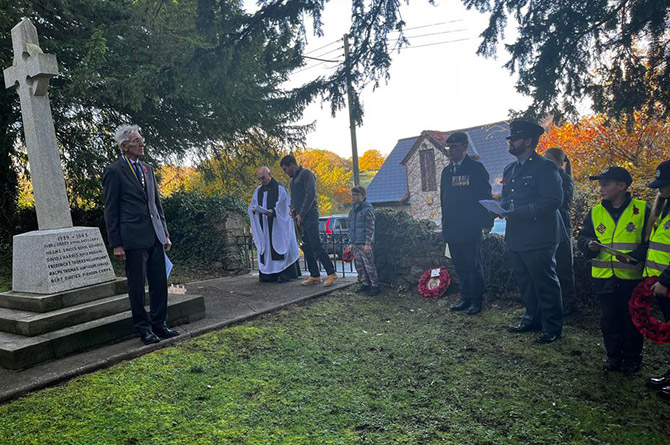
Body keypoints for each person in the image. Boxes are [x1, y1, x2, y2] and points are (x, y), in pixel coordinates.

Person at [103, 125, 179, 345]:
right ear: (124, 146)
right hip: (133, 238)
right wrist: (117, 243)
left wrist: (165, 233)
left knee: (159, 282)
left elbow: (156, 204)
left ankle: (159, 324)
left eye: (141, 139)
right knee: (136, 287)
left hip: (155, 235)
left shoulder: (147, 169)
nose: (142, 144)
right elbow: (111, 209)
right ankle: (144, 329)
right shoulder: (114, 171)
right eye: (137, 141)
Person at [577, 166, 649, 373]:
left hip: (631, 277)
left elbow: (651, 241)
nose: (600, 189)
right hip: (604, 277)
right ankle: (613, 357)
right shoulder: (595, 212)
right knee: (609, 319)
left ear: (621, 186)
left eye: (605, 185)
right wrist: (588, 245)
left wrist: (634, 256)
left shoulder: (642, 210)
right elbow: (583, 237)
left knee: (632, 319)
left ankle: (632, 359)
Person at [501, 120, 565, 344]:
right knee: (525, 281)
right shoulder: (510, 169)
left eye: (514, 139)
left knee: (545, 283)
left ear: (528, 141)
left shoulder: (545, 167)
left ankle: (552, 327)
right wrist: (499, 208)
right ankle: (531, 319)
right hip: (517, 234)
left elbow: (554, 200)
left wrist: (522, 212)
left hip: (539, 234)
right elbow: (508, 198)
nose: (510, 142)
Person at [439, 131, 494, 315]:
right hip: (452, 228)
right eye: (449, 148)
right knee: (460, 266)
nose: (451, 151)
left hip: (470, 227)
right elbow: (444, 200)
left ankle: (476, 301)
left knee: (473, 267)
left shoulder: (476, 168)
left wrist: (487, 223)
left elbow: (485, 197)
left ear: (465, 147)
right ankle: (465, 298)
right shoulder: (446, 172)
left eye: (454, 147)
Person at [280, 155, 337, 287]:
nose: (285, 172)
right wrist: (292, 209)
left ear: (292, 165)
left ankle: (331, 273)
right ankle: (314, 275)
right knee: (306, 246)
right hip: (299, 217)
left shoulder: (306, 174)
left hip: (310, 215)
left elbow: (310, 195)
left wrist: (302, 213)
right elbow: (295, 198)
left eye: (285, 169)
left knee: (316, 245)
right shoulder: (293, 181)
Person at [642, 160, 670, 397]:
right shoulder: (665, 207)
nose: (659, 188)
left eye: (664, 183)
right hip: (661, 283)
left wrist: (665, 280)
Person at [248, 166, 301, 283]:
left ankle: (285, 274)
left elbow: (284, 206)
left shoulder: (280, 188)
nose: (262, 181)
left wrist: (273, 212)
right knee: (267, 248)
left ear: (269, 174)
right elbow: (253, 205)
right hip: (264, 225)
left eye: (263, 178)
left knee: (279, 244)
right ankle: (268, 275)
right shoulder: (258, 191)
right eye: (259, 179)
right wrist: (254, 210)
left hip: (277, 224)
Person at [544, 148, 577, 315]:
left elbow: (562, 203)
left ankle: (568, 301)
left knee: (564, 265)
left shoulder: (565, 179)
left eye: (549, 160)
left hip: (562, 226)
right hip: (547, 226)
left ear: (560, 162)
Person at [348, 186, 380, 295]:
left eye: (356, 195)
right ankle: (365, 283)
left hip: (364, 244)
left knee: (369, 265)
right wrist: (351, 242)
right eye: (352, 195)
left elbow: (370, 228)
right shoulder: (352, 211)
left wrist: (368, 243)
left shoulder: (368, 210)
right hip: (355, 243)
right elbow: (350, 228)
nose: (353, 197)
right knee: (359, 265)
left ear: (362, 196)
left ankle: (375, 285)